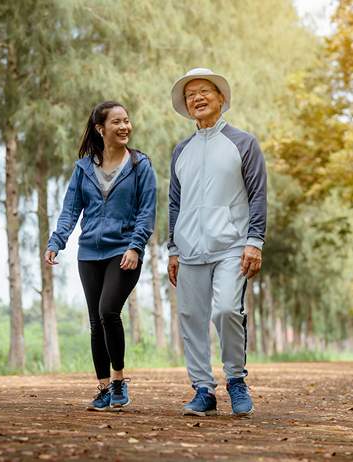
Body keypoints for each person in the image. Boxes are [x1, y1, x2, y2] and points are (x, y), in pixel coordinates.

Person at [167, 68, 267, 417]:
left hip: (232, 244)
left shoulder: (243, 143)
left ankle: (236, 380)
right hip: (189, 247)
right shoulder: (181, 150)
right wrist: (173, 248)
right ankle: (202, 390)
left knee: (226, 309)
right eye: (190, 93)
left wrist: (255, 240)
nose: (197, 97)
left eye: (204, 91)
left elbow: (257, 195)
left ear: (221, 98)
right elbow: (174, 203)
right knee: (191, 317)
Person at [44, 101, 156, 411]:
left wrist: (136, 246)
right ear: (100, 128)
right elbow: (70, 209)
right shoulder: (83, 169)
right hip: (89, 252)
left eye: (127, 120)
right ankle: (104, 388)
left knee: (109, 311)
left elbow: (147, 211)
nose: (124, 127)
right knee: (96, 322)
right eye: (117, 121)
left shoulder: (139, 165)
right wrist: (57, 241)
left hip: (123, 251)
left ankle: (119, 381)